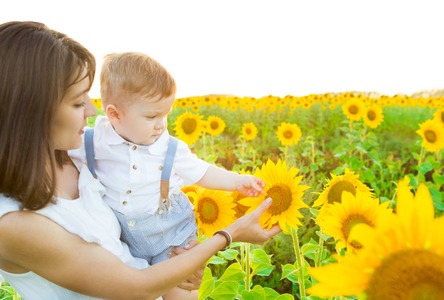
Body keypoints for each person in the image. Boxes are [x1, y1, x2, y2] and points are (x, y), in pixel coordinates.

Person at [0, 21, 281, 300]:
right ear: (29, 110)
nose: (91, 109)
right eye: (77, 102)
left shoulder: (78, 159)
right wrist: (228, 236)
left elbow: (122, 239)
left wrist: (179, 262)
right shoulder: (12, 222)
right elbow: (137, 287)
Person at [70, 52, 266, 299]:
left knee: (182, 290)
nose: (161, 124)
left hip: (171, 238)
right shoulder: (92, 140)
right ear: (114, 115)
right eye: (152, 116)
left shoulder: (169, 148)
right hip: (121, 242)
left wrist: (238, 181)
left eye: (165, 114)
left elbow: (201, 172)